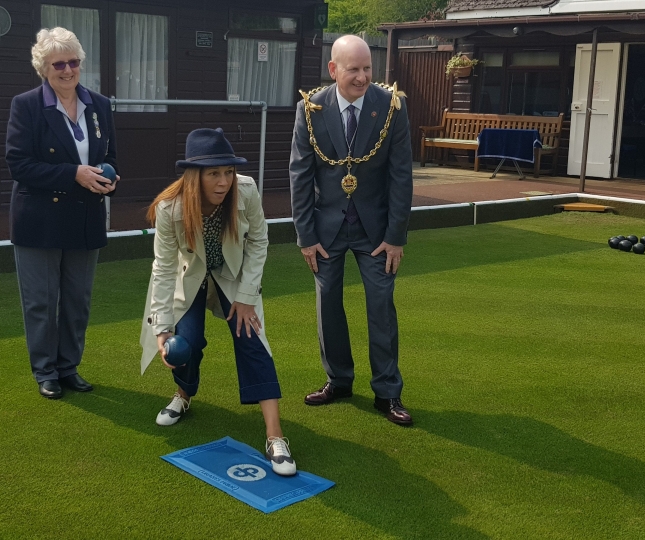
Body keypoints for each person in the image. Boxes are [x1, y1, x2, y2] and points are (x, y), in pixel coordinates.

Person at [139, 128, 296, 476]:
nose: (224, 181)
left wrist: (245, 298)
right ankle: (184, 395)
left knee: (252, 340)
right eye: (214, 173)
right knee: (187, 343)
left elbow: (259, 241)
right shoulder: (170, 208)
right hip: (190, 277)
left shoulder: (246, 190)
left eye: (228, 171)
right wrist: (163, 329)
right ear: (195, 176)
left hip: (234, 277)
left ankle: (275, 436)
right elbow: (163, 269)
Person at [289, 35, 414, 426]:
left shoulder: (392, 106)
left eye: (368, 69)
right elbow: (299, 175)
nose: (362, 78)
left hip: (377, 233)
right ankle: (339, 381)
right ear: (333, 69)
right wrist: (306, 237)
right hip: (326, 232)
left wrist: (396, 236)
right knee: (329, 307)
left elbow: (401, 176)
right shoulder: (309, 108)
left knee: (381, 307)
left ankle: (387, 393)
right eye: (353, 70)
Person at [5, 27, 118, 399]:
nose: (67, 70)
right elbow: (19, 165)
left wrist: (107, 178)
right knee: (41, 301)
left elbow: (110, 156)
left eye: (73, 62)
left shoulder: (99, 104)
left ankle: (68, 367)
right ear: (43, 68)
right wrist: (74, 174)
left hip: (85, 217)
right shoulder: (26, 105)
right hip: (40, 219)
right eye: (59, 64)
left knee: (76, 301)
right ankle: (45, 371)